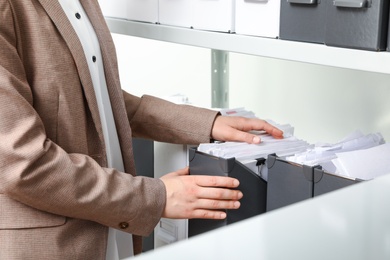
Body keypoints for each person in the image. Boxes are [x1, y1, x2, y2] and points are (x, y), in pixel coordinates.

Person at [0, 1, 284, 259]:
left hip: (111, 233)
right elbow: (23, 163)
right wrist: (155, 198)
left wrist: (205, 123)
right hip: (53, 246)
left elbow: (95, 99)